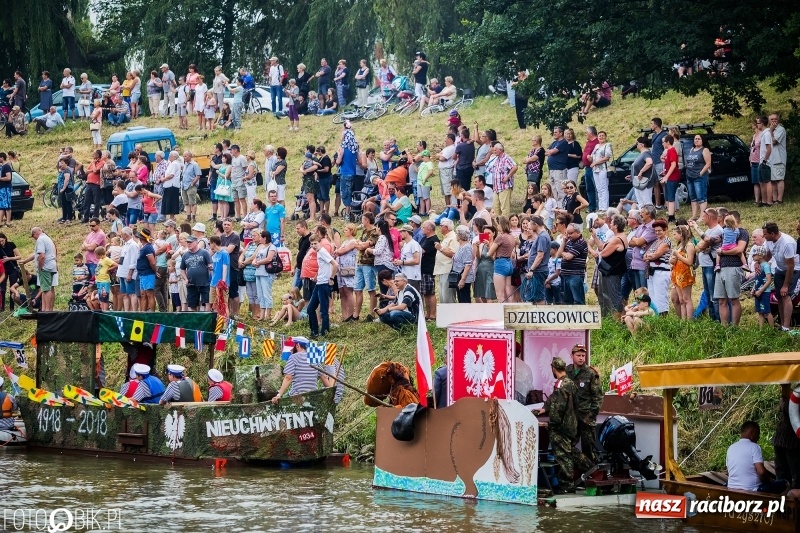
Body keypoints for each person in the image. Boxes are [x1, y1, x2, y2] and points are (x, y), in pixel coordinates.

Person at [535, 357, 591, 494]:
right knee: (570, 451)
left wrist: (551, 424)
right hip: (572, 425)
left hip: (561, 427)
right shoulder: (570, 383)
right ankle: (592, 468)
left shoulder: (561, 385)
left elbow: (558, 407)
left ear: (553, 369)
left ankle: (567, 485)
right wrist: (545, 408)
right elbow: (555, 400)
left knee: (563, 455)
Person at [566, 345, 602, 464]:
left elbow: (597, 396)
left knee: (588, 447)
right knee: (568, 446)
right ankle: (575, 470)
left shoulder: (591, 373)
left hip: (586, 416)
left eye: (583, 356)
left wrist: (591, 414)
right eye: (578, 355)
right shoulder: (567, 371)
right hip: (571, 416)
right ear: (572, 356)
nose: (581, 358)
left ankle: (590, 471)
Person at [727, 421, 786, 494]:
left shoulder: (731, 448)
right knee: (784, 483)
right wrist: (770, 481)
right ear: (751, 432)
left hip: (731, 487)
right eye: (758, 434)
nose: (758, 437)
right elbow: (761, 472)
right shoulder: (754, 447)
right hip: (752, 489)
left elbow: (729, 473)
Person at [272, 337, 335, 402]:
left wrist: (279, 395)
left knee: (283, 398)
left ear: (297, 345)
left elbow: (288, 378)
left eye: (293, 347)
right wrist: (330, 392)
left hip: (297, 395)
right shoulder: (314, 358)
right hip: (312, 396)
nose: (291, 350)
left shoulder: (293, 357)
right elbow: (324, 377)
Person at [763, 222, 800, 332]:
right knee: (779, 296)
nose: (764, 236)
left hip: (793, 270)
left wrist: (785, 285)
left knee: (785, 294)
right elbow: (768, 255)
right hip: (779, 268)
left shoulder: (787, 243)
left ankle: (786, 327)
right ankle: (782, 323)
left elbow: (790, 265)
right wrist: (760, 263)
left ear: (772, 233)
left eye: (765, 234)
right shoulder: (769, 240)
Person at [308, 235, 338, 337]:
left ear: (320, 243)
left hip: (324, 283)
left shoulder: (322, 251)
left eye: (315, 243)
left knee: (323, 310)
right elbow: (323, 266)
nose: (313, 246)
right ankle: (314, 331)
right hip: (319, 282)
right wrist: (317, 276)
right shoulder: (319, 252)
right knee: (310, 309)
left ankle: (324, 331)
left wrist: (331, 278)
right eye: (312, 244)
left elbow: (335, 264)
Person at [179, 235, 213, 311]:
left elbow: (211, 265)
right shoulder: (185, 255)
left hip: (205, 283)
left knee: (207, 302)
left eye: (190, 242)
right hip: (191, 283)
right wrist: (185, 279)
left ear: (196, 242)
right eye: (187, 242)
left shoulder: (204, 252)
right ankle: (195, 318)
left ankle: (206, 317)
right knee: (192, 304)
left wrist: (210, 268)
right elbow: (182, 269)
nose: (188, 244)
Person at [750, 245, 774, 328]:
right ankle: (761, 329)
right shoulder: (758, 266)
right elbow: (757, 279)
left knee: (767, 311)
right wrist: (753, 289)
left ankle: (771, 329)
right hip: (757, 291)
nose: (752, 256)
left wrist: (760, 291)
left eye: (754, 254)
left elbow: (769, 280)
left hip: (764, 292)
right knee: (760, 311)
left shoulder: (766, 266)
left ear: (760, 255)